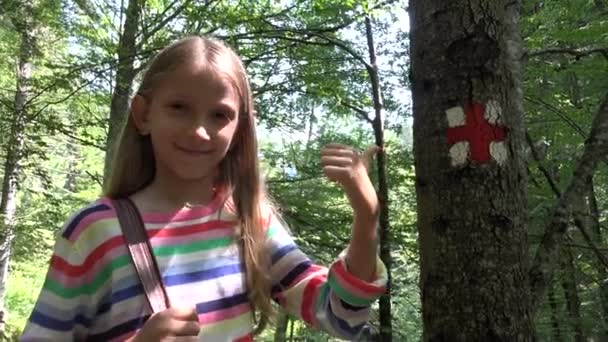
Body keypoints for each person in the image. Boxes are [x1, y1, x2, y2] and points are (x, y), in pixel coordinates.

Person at [20, 36, 387, 342]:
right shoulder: (94, 233)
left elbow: (340, 317)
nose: (200, 131)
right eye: (179, 107)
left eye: (219, 115)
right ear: (144, 115)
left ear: (239, 128)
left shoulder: (248, 219)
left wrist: (366, 217)